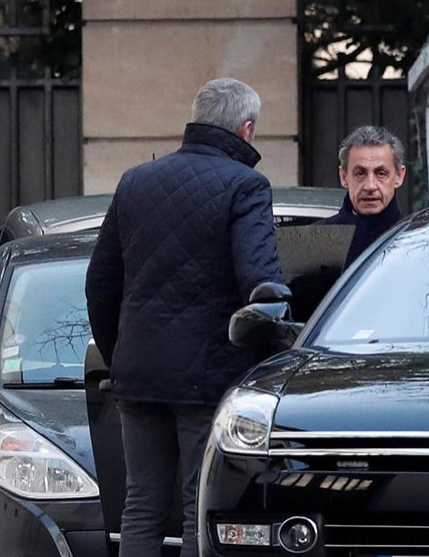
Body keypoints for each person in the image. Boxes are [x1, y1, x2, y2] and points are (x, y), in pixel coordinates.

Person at [84, 77, 283, 557]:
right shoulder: (247, 186)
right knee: (201, 505)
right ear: (246, 128)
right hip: (209, 377)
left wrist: (120, 355)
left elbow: (100, 281)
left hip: (138, 375)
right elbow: (262, 288)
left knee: (142, 504)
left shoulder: (135, 181)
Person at [322, 125, 407, 267]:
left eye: (381, 173)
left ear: (399, 176)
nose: (370, 186)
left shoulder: (416, 243)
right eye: (360, 174)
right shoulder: (317, 241)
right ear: (344, 177)